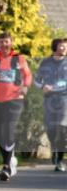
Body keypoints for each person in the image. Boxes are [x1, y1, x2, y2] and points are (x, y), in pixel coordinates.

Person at [0, 32, 32, 180]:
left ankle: (7, 166)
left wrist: (26, 86)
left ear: (11, 43)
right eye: (1, 42)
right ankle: (9, 163)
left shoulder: (19, 59)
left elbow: (28, 75)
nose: (4, 45)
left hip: (14, 100)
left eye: (7, 42)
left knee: (8, 132)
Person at [34, 38, 67, 172]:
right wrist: (43, 87)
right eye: (61, 46)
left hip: (65, 99)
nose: (64, 49)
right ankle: (55, 149)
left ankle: (60, 160)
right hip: (49, 100)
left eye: (65, 47)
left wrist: (56, 88)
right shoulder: (46, 62)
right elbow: (37, 80)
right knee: (51, 129)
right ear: (55, 47)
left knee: (63, 129)